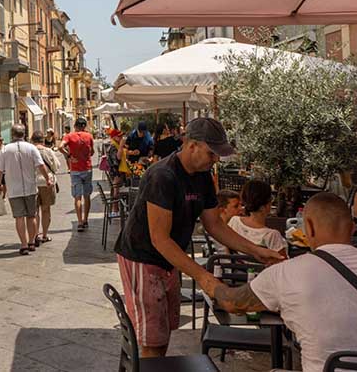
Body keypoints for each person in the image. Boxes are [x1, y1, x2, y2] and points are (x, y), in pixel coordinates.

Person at [113, 118, 283, 358]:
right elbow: (160, 239)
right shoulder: (162, 175)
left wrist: (255, 250)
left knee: (163, 333)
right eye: (212, 153)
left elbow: (214, 224)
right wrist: (203, 277)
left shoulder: (202, 176)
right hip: (143, 258)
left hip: (169, 260)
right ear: (191, 145)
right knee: (152, 339)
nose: (215, 160)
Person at [212, 192, 357, 372]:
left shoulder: (285, 272)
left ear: (308, 228)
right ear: (352, 228)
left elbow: (233, 303)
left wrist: (203, 278)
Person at [0, 124, 50, 255]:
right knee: (31, 216)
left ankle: (24, 244)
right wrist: (47, 178)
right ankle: (31, 242)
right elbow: (41, 165)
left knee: (19, 217)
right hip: (30, 187)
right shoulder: (31, 148)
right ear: (24, 134)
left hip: (14, 189)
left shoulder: (5, 150)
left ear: (12, 134)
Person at [228, 180, 287, 256]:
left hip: (238, 266)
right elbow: (283, 263)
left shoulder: (234, 221)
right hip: (263, 268)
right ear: (263, 207)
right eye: (271, 199)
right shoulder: (271, 235)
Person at [61, 117, 94, 231]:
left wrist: (69, 156)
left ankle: (79, 222)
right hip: (87, 168)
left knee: (77, 197)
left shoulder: (69, 136)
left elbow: (60, 147)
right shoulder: (89, 136)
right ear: (84, 126)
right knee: (87, 195)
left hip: (75, 170)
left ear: (75, 126)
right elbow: (92, 151)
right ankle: (86, 219)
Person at [32, 130, 59, 244]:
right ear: (43, 140)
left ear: (32, 140)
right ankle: (44, 235)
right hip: (47, 182)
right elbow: (57, 166)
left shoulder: (30, 152)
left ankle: (35, 235)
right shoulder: (48, 151)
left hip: (33, 183)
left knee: (35, 211)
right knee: (46, 210)